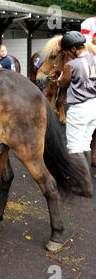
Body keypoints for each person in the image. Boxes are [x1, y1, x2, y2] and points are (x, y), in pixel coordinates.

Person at [57, 31, 96, 195]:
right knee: (85, 143)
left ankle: (83, 185)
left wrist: (59, 78)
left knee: (73, 147)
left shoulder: (71, 65)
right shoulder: (94, 59)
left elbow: (62, 83)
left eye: (66, 51)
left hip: (79, 108)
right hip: (94, 105)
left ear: (73, 49)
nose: (66, 54)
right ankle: (86, 183)